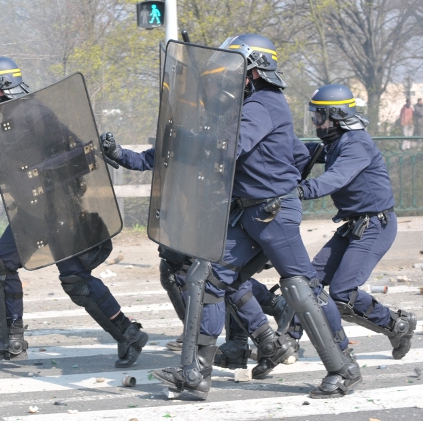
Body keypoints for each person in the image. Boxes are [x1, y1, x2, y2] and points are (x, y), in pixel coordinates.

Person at [151, 34, 361, 400]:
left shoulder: (263, 103)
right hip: (248, 211)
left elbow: (232, 146)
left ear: (254, 70)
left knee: (301, 288)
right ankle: (197, 375)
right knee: (209, 277)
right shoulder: (248, 104)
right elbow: (288, 152)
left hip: (272, 212)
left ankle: (344, 368)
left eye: (235, 68)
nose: (227, 76)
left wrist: (197, 135)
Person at [0, 57, 148, 367]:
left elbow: (78, 152)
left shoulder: (35, 113)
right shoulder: (11, 118)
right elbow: (24, 161)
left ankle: (127, 333)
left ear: (0, 89)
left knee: (75, 281)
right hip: (35, 209)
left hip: (56, 208)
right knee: (4, 266)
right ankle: (12, 342)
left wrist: (35, 175)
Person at [101, 132, 303, 371]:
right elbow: (148, 159)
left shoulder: (230, 132)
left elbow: (297, 156)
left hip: (224, 220)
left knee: (217, 279)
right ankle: (250, 338)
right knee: (192, 273)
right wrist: (117, 153)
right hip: (190, 222)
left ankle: (260, 338)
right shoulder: (184, 138)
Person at [296, 84, 416, 358]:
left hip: (375, 225)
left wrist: (301, 190)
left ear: (336, 116)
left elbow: (335, 178)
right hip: (354, 225)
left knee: (343, 292)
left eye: (319, 116)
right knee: (306, 284)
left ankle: (397, 325)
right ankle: (288, 340)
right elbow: (307, 152)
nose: (316, 122)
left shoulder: (356, 144)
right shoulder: (337, 142)